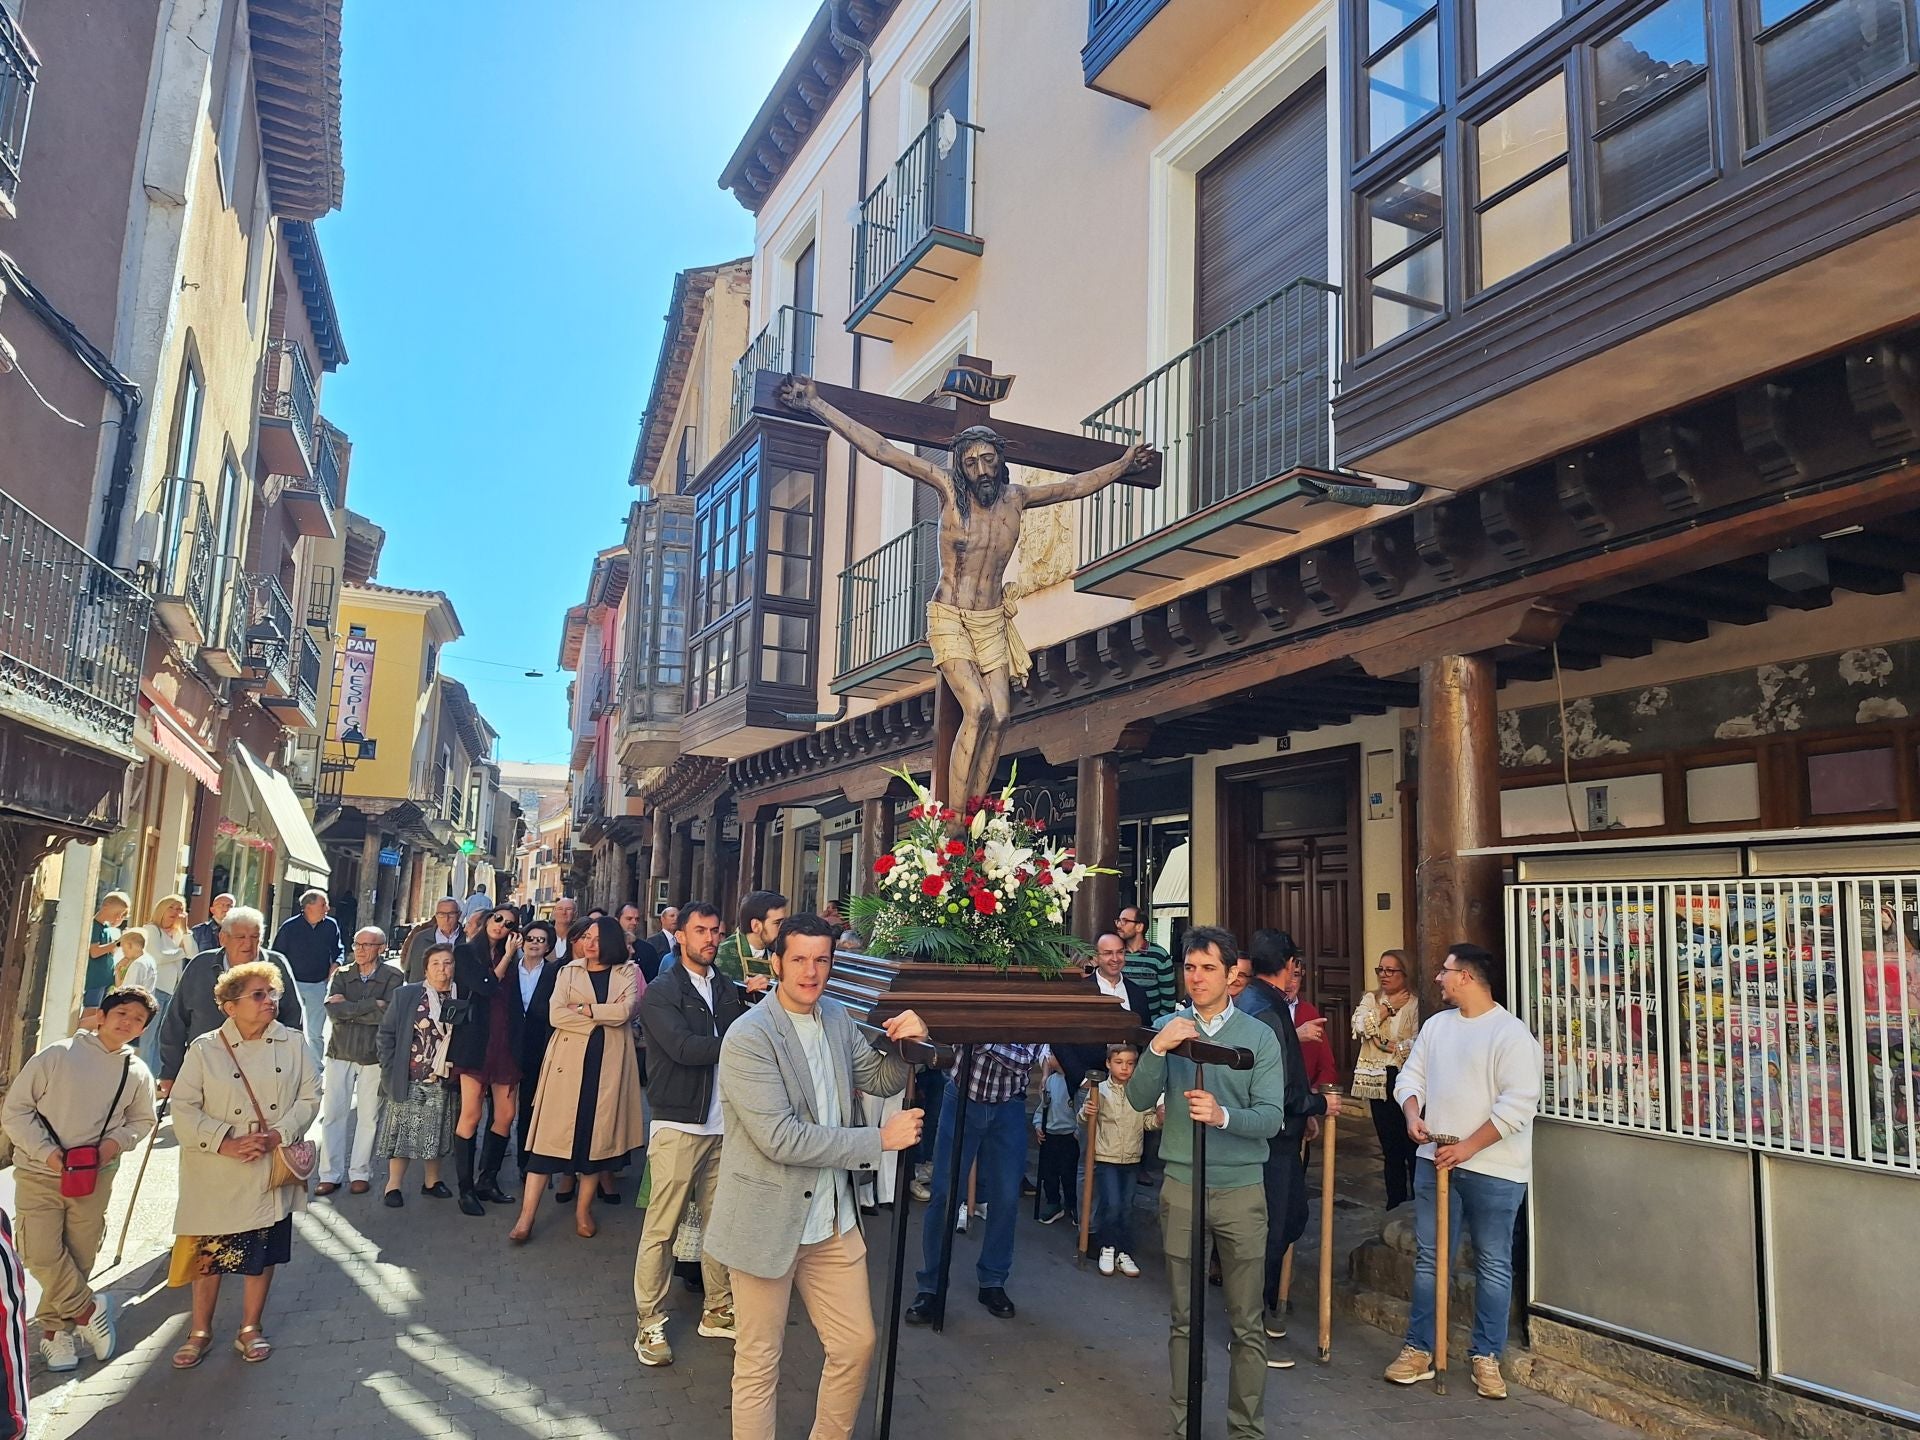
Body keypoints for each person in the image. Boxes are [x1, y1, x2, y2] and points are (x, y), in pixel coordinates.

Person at [706, 913, 925, 1440]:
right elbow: (781, 1138)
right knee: (759, 1362)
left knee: (855, 1344)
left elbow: (876, 1078)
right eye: (799, 959)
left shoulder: (836, 1016)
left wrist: (907, 1042)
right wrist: (879, 1141)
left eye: (821, 959)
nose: (810, 972)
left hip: (832, 1220)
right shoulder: (748, 1036)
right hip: (766, 1221)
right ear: (776, 962)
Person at [1126, 925, 1286, 1440]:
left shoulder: (1259, 1035)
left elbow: (1271, 1117)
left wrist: (1222, 1116)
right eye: (1190, 968)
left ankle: (1246, 1429)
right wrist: (1157, 1048)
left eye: (1209, 968)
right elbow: (1135, 1099)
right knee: (1183, 1318)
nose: (1197, 978)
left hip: (1241, 1190)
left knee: (1247, 1321)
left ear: (1233, 974)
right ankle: (1185, 1425)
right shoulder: (1167, 1025)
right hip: (1181, 1185)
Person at [1386, 941, 1542, 1400]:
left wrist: (1467, 1148)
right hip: (1435, 1159)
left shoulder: (1511, 1035)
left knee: (1494, 1262)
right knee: (1431, 1257)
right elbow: (1411, 1076)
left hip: (1494, 1167)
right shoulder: (1437, 1027)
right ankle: (1419, 1347)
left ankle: (1486, 1355)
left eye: (1446, 971)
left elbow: (1517, 1106)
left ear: (1467, 977)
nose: (1439, 978)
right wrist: (1414, 1115)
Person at [166, 960, 321, 1368]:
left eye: (272, 993)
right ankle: (199, 1330)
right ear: (229, 1006)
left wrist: (277, 1134)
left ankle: (250, 1328)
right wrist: (224, 1142)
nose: (269, 1001)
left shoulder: (292, 1043)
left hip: (269, 1164)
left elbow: (310, 1096)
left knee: (261, 1253)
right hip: (216, 1169)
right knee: (209, 1256)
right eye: (258, 994)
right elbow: (182, 1107)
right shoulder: (204, 1048)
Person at [1, 987, 159, 1371]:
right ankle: (89, 1310)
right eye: (121, 1012)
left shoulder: (135, 1070)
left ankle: (56, 1336)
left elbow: (142, 1120)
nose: (128, 1022)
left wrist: (112, 1145)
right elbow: (17, 1110)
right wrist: (47, 1153)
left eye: (138, 1019)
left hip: (94, 1176)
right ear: (101, 1015)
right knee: (39, 1252)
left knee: (80, 1252)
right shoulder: (58, 1055)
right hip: (40, 1172)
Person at [633, 902, 744, 1366]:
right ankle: (649, 1324)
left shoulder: (725, 987)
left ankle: (718, 1309)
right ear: (680, 935)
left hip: (725, 1124)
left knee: (721, 1226)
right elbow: (682, 1048)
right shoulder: (660, 991)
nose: (710, 939)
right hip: (679, 1123)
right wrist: (742, 1040)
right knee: (663, 1227)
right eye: (701, 931)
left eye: (716, 931)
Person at [509, 916, 646, 1243]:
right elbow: (557, 1014)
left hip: (608, 1064)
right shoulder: (568, 970)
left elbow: (625, 1011)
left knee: (595, 1141)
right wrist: (599, 1017)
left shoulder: (626, 972)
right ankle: (525, 1217)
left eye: (597, 938)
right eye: (586, 937)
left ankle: (582, 1211)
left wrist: (582, 1009)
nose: (590, 943)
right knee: (547, 1142)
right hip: (567, 1065)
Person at [904, 1039, 1048, 1326]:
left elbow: (1023, 1059)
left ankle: (993, 1281)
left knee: (1006, 1197)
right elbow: (956, 1036)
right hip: (961, 1098)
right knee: (944, 1194)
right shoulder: (979, 993)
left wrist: (980, 1039)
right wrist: (977, 1039)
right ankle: (931, 1286)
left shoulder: (1036, 998)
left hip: (1009, 1105)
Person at [1239, 935, 1337, 1354]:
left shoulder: (1252, 1001)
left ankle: (1254, 1314)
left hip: (1277, 1130)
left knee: (1287, 1219)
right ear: (1290, 964)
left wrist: (1305, 1112)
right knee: (1273, 1228)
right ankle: (1249, 1325)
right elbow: (1276, 1086)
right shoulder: (1266, 1006)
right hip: (1272, 1136)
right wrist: (1317, 1102)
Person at [158, 907, 303, 1094]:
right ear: (223, 938)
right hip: (207, 1066)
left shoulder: (277, 965)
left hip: (261, 1069)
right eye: (240, 937)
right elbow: (175, 1022)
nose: (248, 944)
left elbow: (294, 1021)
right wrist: (170, 1072)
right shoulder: (201, 966)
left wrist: (289, 1068)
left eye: (254, 937)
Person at [315, 927, 403, 1197]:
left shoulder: (393, 976)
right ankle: (329, 1174)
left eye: (368, 944)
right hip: (340, 1050)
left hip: (373, 1054)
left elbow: (388, 1016)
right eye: (357, 944)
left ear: (381, 948)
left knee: (369, 1116)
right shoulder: (342, 974)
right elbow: (333, 1011)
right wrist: (370, 1005)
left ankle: (360, 1173)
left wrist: (351, 1008)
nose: (361, 949)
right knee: (332, 1114)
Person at [449, 908, 524, 1216]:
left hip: (505, 1043)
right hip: (475, 1044)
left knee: (505, 1115)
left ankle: (487, 1180)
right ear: (487, 921)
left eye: (509, 925)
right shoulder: (465, 952)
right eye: (498, 919)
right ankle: (465, 1190)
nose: (502, 926)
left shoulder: (514, 959)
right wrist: (506, 958)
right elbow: (485, 986)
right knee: (471, 1114)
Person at [374, 944, 461, 1206]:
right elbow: (386, 1034)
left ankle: (432, 1181)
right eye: (436, 963)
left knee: (436, 1132)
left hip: (444, 1078)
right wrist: (389, 1069)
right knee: (402, 1134)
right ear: (426, 968)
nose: (442, 969)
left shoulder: (460, 997)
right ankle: (393, 1186)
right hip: (409, 1076)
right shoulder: (407, 995)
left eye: (447, 963)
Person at [1080, 1041, 1160, 1277]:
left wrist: (1159, 1120)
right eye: (1119, 1063)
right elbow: (1083, 1120)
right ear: (1108, 1063)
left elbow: (1146, 1121)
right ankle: (1108, 1247)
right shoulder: (1100, 1090)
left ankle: (1123, 1252)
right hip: (1107, 1156)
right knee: (1112, 1204)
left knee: (1126, 1207)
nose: (1124, 1068)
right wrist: (1087, 1112)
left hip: (1132, 1157)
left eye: (1130, 1063)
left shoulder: (1140, 1092)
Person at [1353, 949, 1421, 1209]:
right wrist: (1387, 1009)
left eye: (1391, 970)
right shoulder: (1372, 999)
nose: (1384, 975)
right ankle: (1394, 1202)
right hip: (1376, 1079)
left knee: (1411, 1146)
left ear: (1405, 973)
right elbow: (1360, 1027)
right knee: (1389, 1147)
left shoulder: (1415, 1002)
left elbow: (1418, 1039)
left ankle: (1415, 1202)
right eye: (1381, 969)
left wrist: (1396, 1047)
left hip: (1403, 1077)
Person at [508, 919, 564, 1174]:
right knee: (502, 1111)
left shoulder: (555, 972)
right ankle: (490, 1168)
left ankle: (526, 1163)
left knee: (531, 1107)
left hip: (537, 1047)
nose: (534, 944)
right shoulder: (508, 968)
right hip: (507, 1046)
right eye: (531, 938)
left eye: (541, 940)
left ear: (549, 946)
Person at [272, 889, 343, 1069]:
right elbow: (277, 955)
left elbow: (339, 949)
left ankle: (315, 1068)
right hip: (292, 984)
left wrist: (336, 963)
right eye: (323, 904)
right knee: (288, 1026)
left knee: (315, 1031)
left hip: (318, 984)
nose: (327, 908)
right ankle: (285, 1064)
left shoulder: (330, 925)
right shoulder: (290, 927)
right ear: (309, 906)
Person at [1267, 929, 1337, 1090]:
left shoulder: (1309, 1012)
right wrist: (1294, 1036)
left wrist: (1313, 1096)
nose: (1290, 983)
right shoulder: (1263, 1008)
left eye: (1296, 975)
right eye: (1287, 974)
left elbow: (1327, 1065)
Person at [137, 894, 193, 1073]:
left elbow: (193, 953)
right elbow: (158, 956)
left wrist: (185, 932)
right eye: (172, 908)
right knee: (149, 1038)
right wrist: (180, 952)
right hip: (156, 989)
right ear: (162, 908)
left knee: (163, 1038)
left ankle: (155, 1075)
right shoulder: (151, 930)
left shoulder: (178, 934)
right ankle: (146, 1076)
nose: (176, 913)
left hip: (172, 991)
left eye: (180, 909)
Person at [1032, 1050, 1079, 1225]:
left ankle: (1072, 1204)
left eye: (1054, 1056)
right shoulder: (1050, 1081)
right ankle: (1053, 1203)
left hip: (1069, 1135)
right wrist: (1038, 1125)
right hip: (1050, 1134)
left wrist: (1078, 1130)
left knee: (1069, 1173)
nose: (1050, 1059)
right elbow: (1042, 1107)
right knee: (1048, 1172)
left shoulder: (1074, 1082)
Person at [1117, 904, 1176, 1025]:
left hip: (1150, 1028)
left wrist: (1156, 1028)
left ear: (1139, 927)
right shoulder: (1116, 954)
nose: (1119, 925)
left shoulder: (1159, 955)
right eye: (1118, 920)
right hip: (1118, 1025)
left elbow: (1168, 1000)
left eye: (1125, 921)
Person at [715, 890, 784, 995]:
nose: (782, 929)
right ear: (756, 926)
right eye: (777, 923)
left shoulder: (778, 956)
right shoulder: (721, 955)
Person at [402, 898, 465, 984]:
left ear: (459, 915)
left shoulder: (467, 939)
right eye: (442, 914)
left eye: (451, 914)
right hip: (424, 992)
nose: (446, 919)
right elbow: (408, 968)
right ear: (436, 916)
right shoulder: (421, 938)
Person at [84, 891, 130, 1009]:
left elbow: (111, 951)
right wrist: (118, 943)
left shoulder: (107, 928)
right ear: (106, 906)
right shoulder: (94, 926)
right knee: (91, 1011)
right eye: (117, 913)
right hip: (95, 980)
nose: (118, 917)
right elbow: (94, 952)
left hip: (106, 979)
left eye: (122, 915)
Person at [189, 893, 234, 959]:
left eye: (229, 906)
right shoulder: (199, 931)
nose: (225, 909)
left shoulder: (241, 931)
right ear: (212, 910)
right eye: (221, 905)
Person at [646, 905, 679, 971]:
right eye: (672, 916)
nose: (676, 919)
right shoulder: (653, 941)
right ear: (663, 919)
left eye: (678, 916)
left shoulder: (683, 940)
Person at [550, 897, 578, 962]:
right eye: (560, 909)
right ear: (554, 912)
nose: (563, 912)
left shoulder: (578, 940)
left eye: (568, 909)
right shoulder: (544, 937)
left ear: (575, 914)